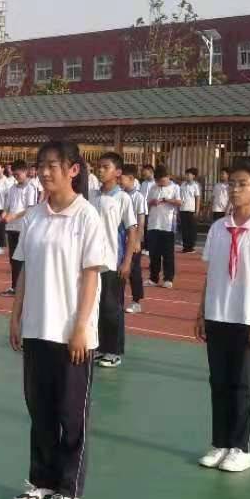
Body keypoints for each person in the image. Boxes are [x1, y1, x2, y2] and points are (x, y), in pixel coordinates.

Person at [9, 141, 109, 499]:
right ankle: (42, 482)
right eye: (41, 165)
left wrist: (81, 327)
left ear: (73, 170)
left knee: (72, 414)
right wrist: (16, 316)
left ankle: (69, 489)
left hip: (71, 334)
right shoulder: (34, 216)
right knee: (40, 411)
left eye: (52, 165)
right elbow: (24, 273)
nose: (45, 172)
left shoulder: (87, 218)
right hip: (37, 329)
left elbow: (90, 279)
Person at [193, 159, 250, 474]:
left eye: (242, 184)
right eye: (231, 183)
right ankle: (220, 442)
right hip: (218, 314)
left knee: (244, 384)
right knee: (219, 382)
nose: (234, 189)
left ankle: (242, 447)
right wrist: (202, 310)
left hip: (247, 318)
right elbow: (212, 273)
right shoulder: (219, 228)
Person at [92, 152, 138, 368]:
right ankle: (100, 347)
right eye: (99, 166)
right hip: (92, 263)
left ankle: (114, 351)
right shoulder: (92, 196)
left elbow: (132, 231)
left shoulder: (123, 198)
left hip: (112, 261)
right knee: (95, 307)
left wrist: (127, 262)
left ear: (118, 172)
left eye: (105, 167)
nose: (100, 170)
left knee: (113, 308)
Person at [0, 161, 37, 296]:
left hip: (23, 228)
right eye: (14, 174)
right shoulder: (12, 189)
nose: (16, 177)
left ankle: (25, 288)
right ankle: (15, 287)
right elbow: (7, 206)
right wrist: (3, 215)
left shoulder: (30, 188)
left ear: (25, 172)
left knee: (22, 259)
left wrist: (14, 216)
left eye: (18, 174)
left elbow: (30, 208)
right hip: (11, 227)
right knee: (13, 260)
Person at [146, 164, 180, 287]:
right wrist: (152, 202)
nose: (159, 182)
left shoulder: (175, 187)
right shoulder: (153, 188)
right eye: (157, 180)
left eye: (161, 180)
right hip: (153, 224)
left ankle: (168, 279)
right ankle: (153, 278)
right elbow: (147, 203)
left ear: (167, 177)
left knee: (168, 253)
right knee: (153, 253)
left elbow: (179, 202)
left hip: (167, 225)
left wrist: (167, 200)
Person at [121, 165, 148, 314]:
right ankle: (119, 299)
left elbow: (141, 221)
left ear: (131, 178)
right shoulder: (120, 195)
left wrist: (138, 240)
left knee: (133, 271)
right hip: (121, 239)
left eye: (122, 178)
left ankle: (136, 301)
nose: (119, 181)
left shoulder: (138, 197)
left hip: (133, 240)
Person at [178, 167, 202, 253]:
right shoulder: (183, 184)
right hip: (183, 209)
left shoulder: (196, 185)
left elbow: (197, 198)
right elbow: (179, 197)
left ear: (193, 176)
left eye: (189, 174)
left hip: (191, 210)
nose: (187, 176)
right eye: (186, 174)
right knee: (184, 229)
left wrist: (197, 210)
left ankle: (191, 246)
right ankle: (185, 246)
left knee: (192, 229)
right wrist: (178, 210)